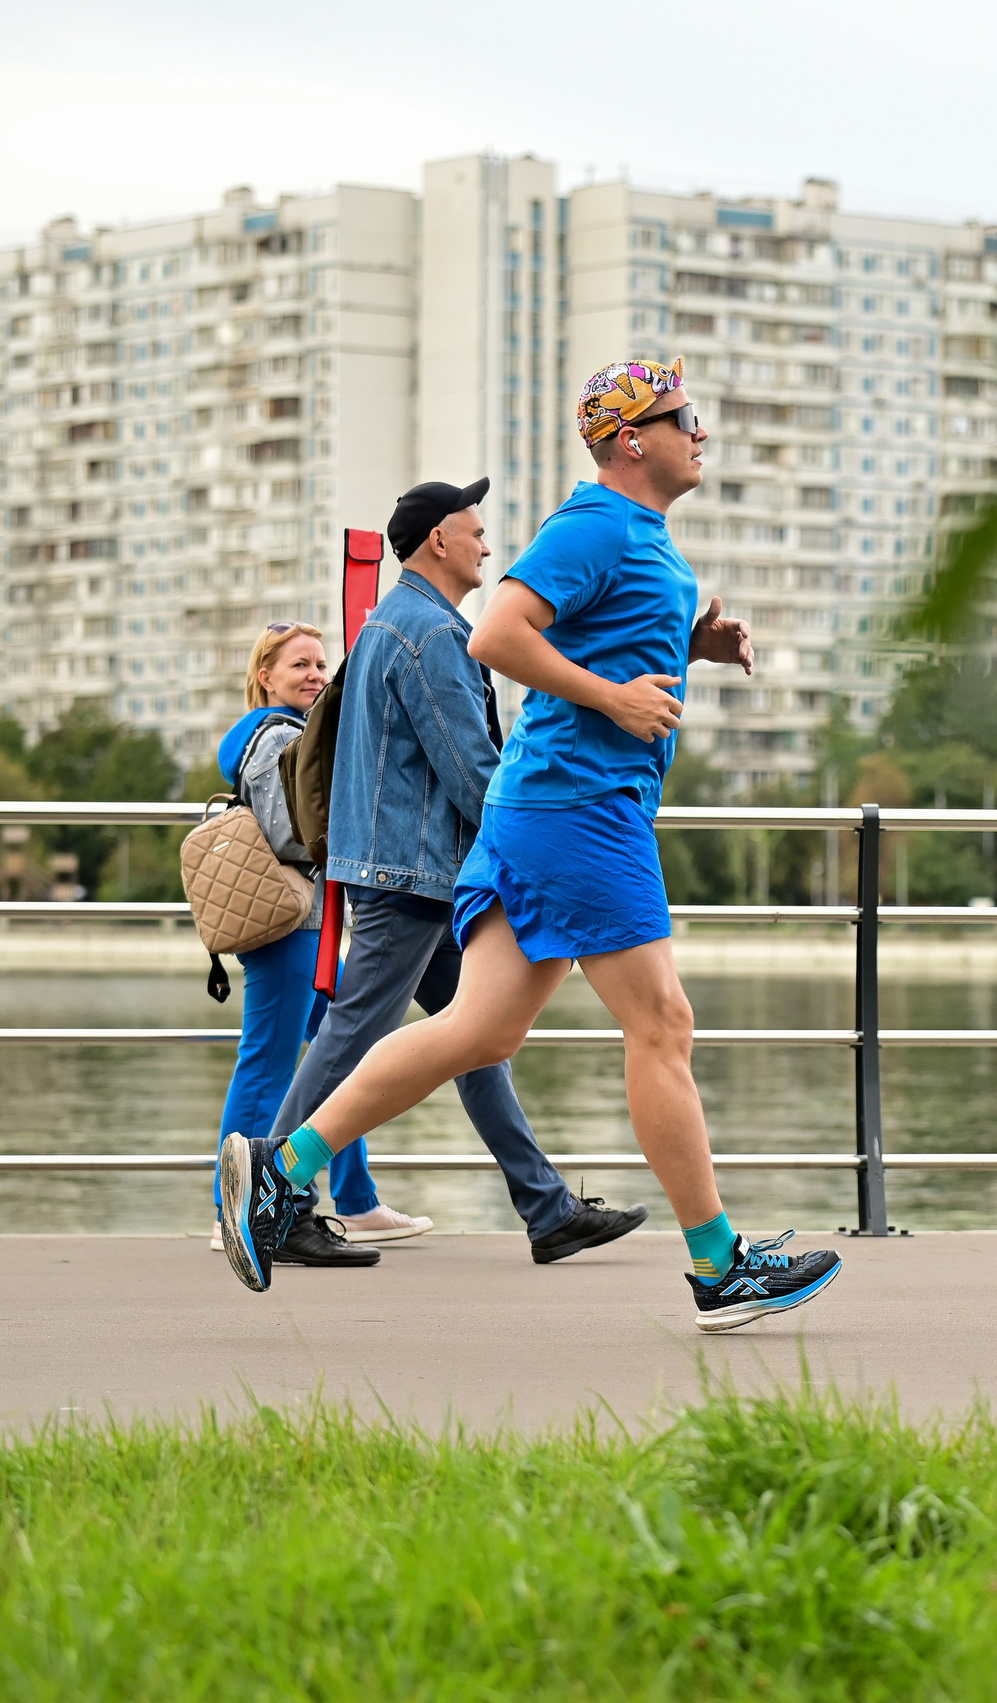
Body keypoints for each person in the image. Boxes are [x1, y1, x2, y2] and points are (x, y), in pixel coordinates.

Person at [219, 361, 843, 1332]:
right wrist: (615, 696)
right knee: (662, 1024)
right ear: (632, 437)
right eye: (687, 419)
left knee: (480, 1031)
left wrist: (689, 645)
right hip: (579, 808)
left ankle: (281, 1170)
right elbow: (497, 635)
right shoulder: (593, 522)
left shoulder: (633, 534)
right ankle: (719, 1265)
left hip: (545, 808)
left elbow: (594, 638)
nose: (701, 434)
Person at [252, 477, 648, 1266]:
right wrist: (537, 843)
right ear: (439, 539)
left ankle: (546, 1206)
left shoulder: (390, 622)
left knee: (476, 1037)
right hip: (414, 874)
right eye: (474, 531)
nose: (487, 545)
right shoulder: (431, 634)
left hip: (406, 865)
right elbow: (474, 771)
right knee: (355, 1033)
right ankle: (273, 1197)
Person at [208, 621, 426, 1269]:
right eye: (298, 664)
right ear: (265, 676)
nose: (313, 674)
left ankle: (354, 1197)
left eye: (320, 663)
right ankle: (232, 1211)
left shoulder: (293, 734)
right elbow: (289, 833)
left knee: (338, 1060)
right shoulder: (273, 737)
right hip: (287, 927)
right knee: (269, 1065)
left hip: (311, 925)